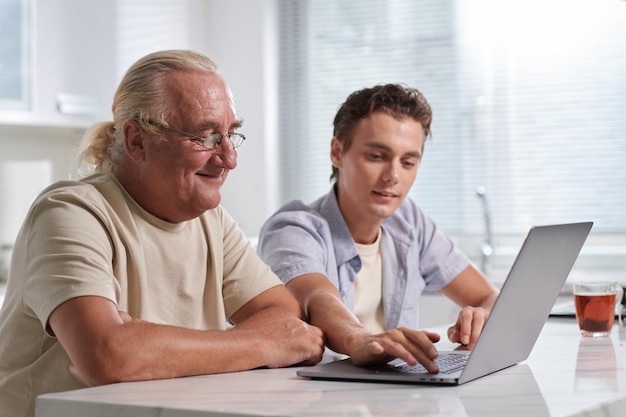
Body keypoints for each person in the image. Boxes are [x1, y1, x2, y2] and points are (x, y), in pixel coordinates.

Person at [0, 50, 324, 417]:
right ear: (137, 141)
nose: (229, 158)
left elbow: (283, 316)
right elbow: (109, 356)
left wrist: (152, 343)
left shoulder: (211, 221)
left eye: (230, 134)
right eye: (206, 136)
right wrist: (261, 343)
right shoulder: (72, 213)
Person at [257, 83, 499, 374]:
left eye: (408, 162)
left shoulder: (410, 222)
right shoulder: (294, 228)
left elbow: (488, 296)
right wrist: (361, 339)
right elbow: (317, 298)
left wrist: (481, 316)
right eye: (376, 156)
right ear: (337, 152)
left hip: (391, 399)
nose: (393, 176)